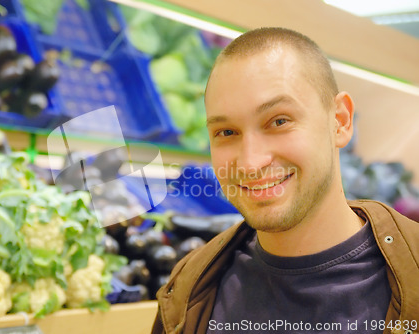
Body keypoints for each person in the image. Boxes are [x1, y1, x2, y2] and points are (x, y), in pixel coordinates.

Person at [151, 27, 419, 334]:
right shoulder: (189, 290)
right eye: (226, 132)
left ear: (340, 121)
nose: (251, 162)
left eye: (279, 121)